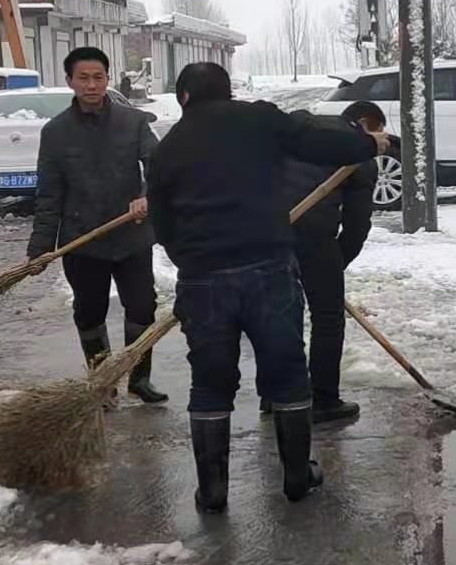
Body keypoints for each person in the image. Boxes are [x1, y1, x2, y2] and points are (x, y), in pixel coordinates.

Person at [148, 62, 388, 513]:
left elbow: (162, 225)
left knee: (211, 382)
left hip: (203, 280)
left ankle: (214, 491)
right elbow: (317, 139)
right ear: (228, 91)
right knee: (287, 371)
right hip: (267, 269)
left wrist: (193, 264)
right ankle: (297, 477)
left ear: (183, 98)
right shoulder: (259, 118)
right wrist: (367, 142)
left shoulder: (169, 148)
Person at [27, 46, 168, 405]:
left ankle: (138, 377)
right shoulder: (55, 132)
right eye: (84, 78)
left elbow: (157, 167)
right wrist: (41, 246)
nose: (92, 85)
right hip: (82, 241)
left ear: (107, 79)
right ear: (70, 81)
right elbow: (49, 194)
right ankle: (103, 382)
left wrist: (146, 195)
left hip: (130, 236)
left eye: (99, 77)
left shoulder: (132, 121)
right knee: (89, 312)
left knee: (142, 308)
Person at [272, 100, 387, 424]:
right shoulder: (359, 155)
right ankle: (324, 399)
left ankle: (276, 396)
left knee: (278, 315)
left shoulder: (304, 129)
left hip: (268, 231)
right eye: (376, 134)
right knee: (327, 318)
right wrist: (336, 263)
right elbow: (356, 225)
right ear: (365, 124)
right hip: (314, 237)